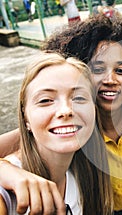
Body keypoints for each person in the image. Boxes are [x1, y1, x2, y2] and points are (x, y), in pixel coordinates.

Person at [0, 15, 122, 214]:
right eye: (98, 69)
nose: (110, 79)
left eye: (120, 70)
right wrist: (8, 172)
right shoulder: (71, 129)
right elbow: (29, 135)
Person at [0, 52, 113, 214]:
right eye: (45, 100)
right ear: (26, 118)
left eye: (79, 98)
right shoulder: (7, 191)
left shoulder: (84, 176)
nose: (66, 110)